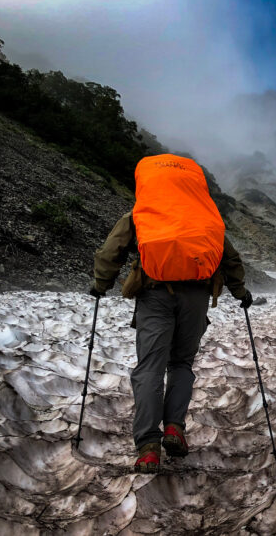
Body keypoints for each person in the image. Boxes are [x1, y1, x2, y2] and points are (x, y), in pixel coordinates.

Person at [90, 154, 252, 473]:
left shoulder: (143, 213)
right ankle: (175, 427)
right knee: (181, 363)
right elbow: (229, 258)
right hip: (197, 296)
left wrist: (101, 284)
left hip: (155, 293)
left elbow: (112, 250)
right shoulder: (205, 216)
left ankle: (148, 447)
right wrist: (240, 292)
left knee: (150, 366)